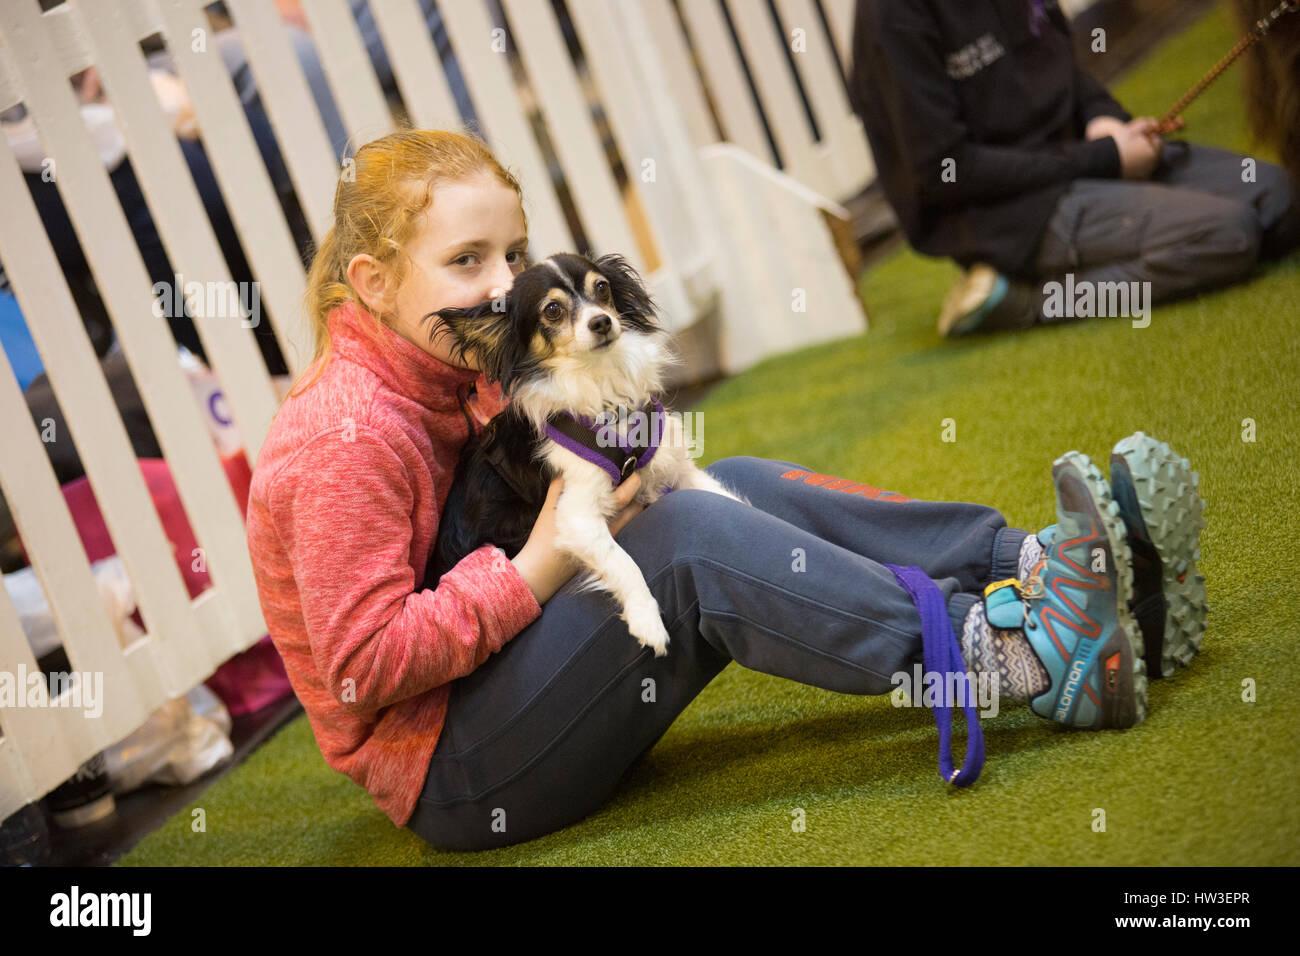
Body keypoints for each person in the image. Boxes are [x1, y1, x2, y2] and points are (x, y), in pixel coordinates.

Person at [244, 128, 1208, 852]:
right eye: (468, 263)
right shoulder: (344, 437)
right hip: (456, 768)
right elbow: (361, 667)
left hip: (517, 672)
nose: (506, 287)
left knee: (729, 485)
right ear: (370, 283)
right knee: (692, 539)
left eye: (512, 252)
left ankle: (1041, 565)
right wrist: (537, 564)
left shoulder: (461, 354)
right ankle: (1025, 654)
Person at [846, 0, 1300, 336]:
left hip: (1079, 163)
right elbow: (945, 172)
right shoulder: (892, 17)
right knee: (1228, 235)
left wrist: (1105, 119)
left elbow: (1064, 70)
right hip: (1007, 213)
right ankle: (1032, 303)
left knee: (1283, 199)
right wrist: (1106, 157)